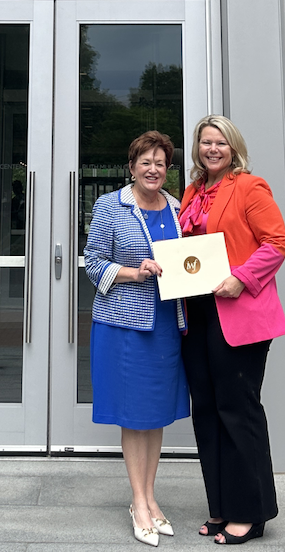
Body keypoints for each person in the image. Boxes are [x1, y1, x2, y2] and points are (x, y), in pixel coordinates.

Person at [178, 115, 285, 545]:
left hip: (237, 311)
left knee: (237, 411)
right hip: (198, 314)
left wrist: (241, 277)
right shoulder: (192, 192)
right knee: (206, 411)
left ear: (233, 147)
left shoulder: (249, 186)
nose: (212, 149)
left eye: (220, 142)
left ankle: (251, 512)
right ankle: (221, 507)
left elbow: (275, 243)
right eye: (205, 142)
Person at [84, 131, 190, 547]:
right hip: (124, 325)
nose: (153, 169)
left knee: (155, 412)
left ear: (168, 169)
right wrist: (134, 272)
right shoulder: (111, 206)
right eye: (145, 161)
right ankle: (139, 502)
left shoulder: (178, 209)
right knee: (132, 414)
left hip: (166, 323)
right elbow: (93, 262)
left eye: (160, 163)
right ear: (132, 167)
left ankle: (151, 495)